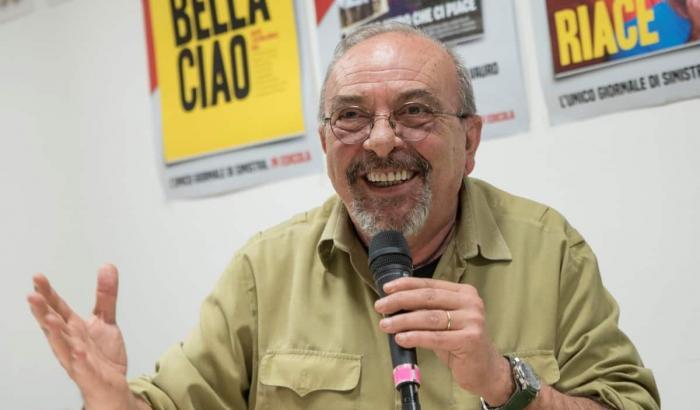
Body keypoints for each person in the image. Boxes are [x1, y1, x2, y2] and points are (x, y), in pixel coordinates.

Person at [27, 22, 660, 409]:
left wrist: (505, 383)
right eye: (351, 116)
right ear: (326, 142)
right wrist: (112, 400)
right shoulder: (264, 271)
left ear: (470, 140)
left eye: (415, 111)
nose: (381, 141)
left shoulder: (550, 251)